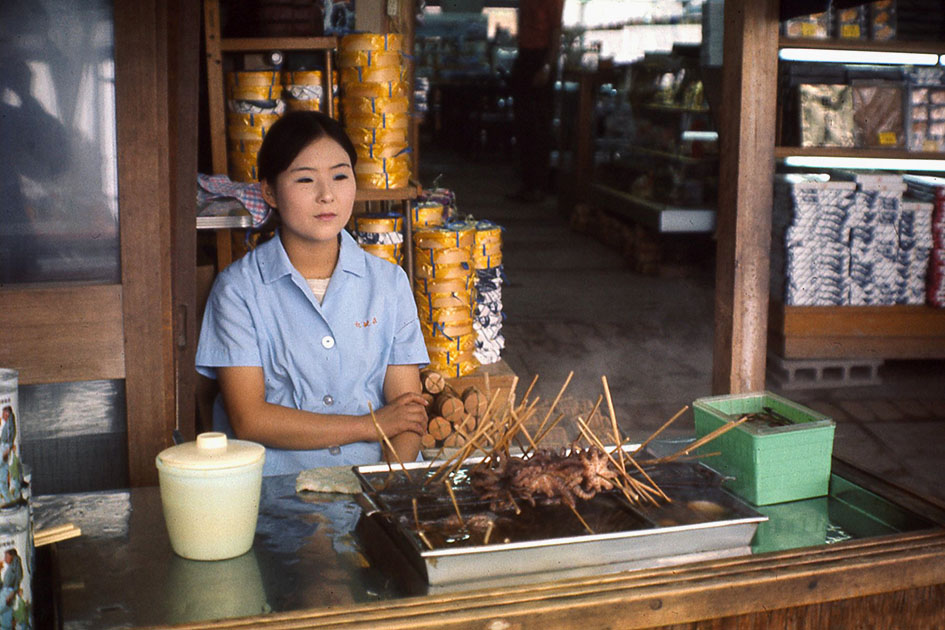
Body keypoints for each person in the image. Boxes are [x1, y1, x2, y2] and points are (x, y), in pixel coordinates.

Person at [196, 111, 429, 476]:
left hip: (375, 483)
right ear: (269, 192)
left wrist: (388, 488)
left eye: (340, 176)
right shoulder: (238, 290)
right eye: (305, 179)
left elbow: (407, 416)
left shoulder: (389, 283)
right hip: (276, 488)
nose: (327, 195)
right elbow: (249, 419)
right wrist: (370, 425)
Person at [507, 0, 565, 203]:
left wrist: (547, 66)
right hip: (525, 56)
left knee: (539, 125)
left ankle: (538, 186)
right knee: (523, 124)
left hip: (541, 57)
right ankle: (527, 184)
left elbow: (556, 32)